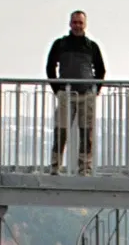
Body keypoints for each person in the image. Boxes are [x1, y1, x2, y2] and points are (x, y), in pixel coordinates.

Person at [45, 9, 106, 174]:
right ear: (70, 24)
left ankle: (85, 168)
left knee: (86, 133)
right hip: (66, 94)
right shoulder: (60, 44)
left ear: (85, 24)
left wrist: (95, 90)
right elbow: (50, 67)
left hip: (87, 95)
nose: (77, 25)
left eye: (80, 22)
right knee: (61, 131)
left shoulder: (92, 46)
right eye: (75, 22)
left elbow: (100, 70)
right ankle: (55, 166)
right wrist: (57, 89)